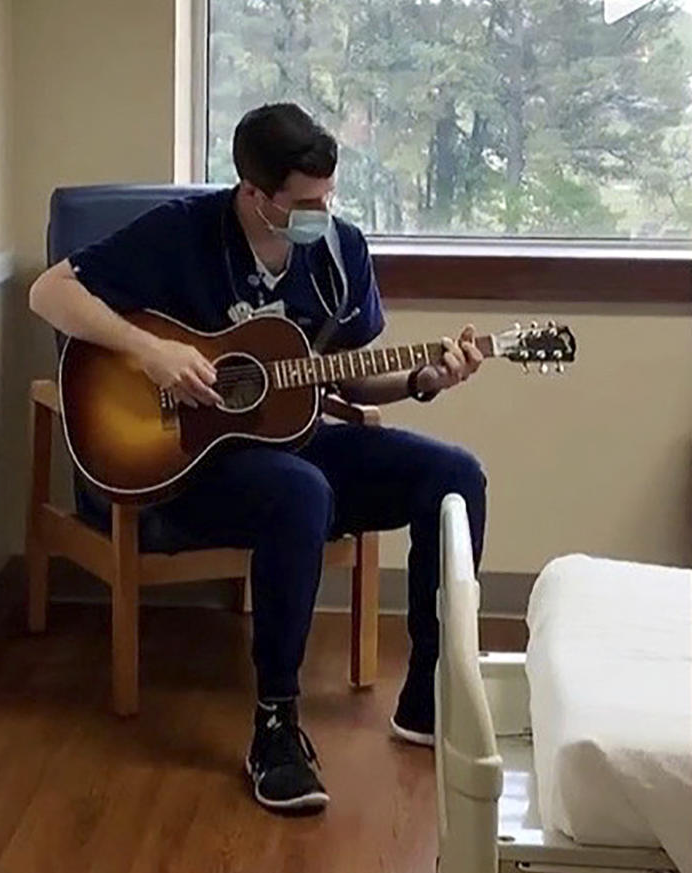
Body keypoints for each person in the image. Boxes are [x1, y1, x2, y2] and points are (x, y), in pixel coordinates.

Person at [29, 103, 486, 813]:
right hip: (185, 461)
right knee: (298, 493)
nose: (322, 212)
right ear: (253, 192)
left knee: (455, 475)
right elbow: (49, 291)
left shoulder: (338, 253)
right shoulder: (183, 232)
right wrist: (151, 351)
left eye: (330, 195)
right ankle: (275, 724)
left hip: (289, 443)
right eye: (306, 202)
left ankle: (427, 699)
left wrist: (425, 378)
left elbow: (350, 375)